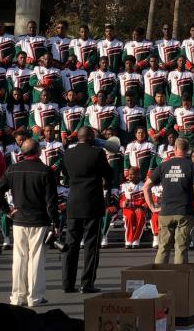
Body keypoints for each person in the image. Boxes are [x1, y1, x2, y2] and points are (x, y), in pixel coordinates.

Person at [0, 138, 58, 308]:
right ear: (39, 152)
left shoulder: (12, 169)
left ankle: (17, 296)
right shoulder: (46, 171)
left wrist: (8, 211)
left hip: (19, 220)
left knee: (19, 259)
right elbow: (51, 202)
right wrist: (56, 223)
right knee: (36, 259)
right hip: (39, 219)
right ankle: (34, 297)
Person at [61, 126, 114, 293]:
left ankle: (68, 283)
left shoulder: (68, 153)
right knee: (91, 245)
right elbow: (110, 174)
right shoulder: (97, 153)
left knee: (71, 244)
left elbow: (65, 173)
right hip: (92, 203)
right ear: (91, 138)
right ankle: (87, 283)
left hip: (74, 202)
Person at [145, 137, 194, 263]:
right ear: (188, 150)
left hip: (165, 211)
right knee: (181, 247)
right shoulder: (193, 166)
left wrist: (151, 206)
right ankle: (180, 280)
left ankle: (159, 280)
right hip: (184, 212)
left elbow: (146, 187)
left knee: (163, 248)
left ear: (175, 148)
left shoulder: (163, 165)